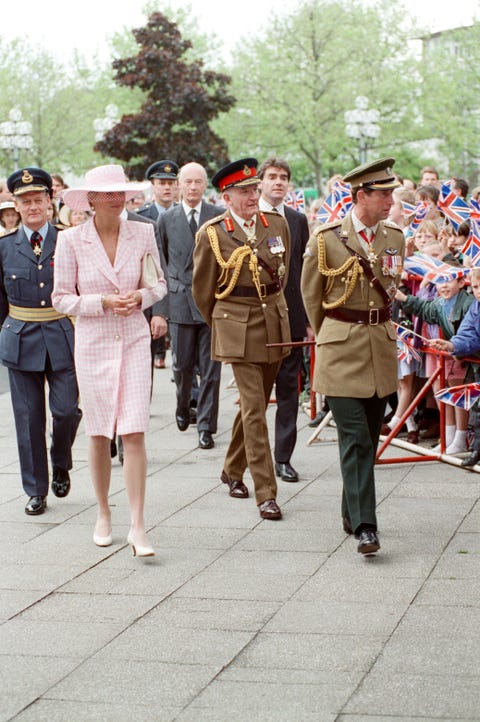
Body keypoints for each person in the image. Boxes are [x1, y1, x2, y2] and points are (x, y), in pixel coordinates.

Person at [52, 164, 167, 556]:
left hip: (134, 339)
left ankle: (138, 526)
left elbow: (159, 284)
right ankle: (103, 512)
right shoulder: (70, 241)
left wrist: (140, 298)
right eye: (109, 194)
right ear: (91, 200)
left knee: (134, 431)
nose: (118, 199)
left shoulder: (143, 231)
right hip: (94, 343)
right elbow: (61, 298)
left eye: (122, 193)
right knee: (99, 432)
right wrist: (101, 302)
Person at [301, 157, 405, 555]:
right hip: (340, 350)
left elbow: (391, 286)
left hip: (379, 347)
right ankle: (366, 526)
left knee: (368, 439)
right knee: (356, 437)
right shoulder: (326, 237)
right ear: (361, 196)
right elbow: (311, 296)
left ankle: (350, 510)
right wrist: (331, 335)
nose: (390, 202)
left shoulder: (394, 237)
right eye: (383, 195)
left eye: (392, 194)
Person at [193, 157, 291, 520]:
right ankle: (266, 492)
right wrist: (223, 324)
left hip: (272, 322)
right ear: (227, 197)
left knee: (257, 403)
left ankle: (232, 470)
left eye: (254, 189)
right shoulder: (213, 233)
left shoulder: (277, 223)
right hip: (236, 323)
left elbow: (283, 276)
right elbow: (202, 291)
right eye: (244, 191)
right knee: (254, 408)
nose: (253, 196)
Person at [0, 167, 82, 515]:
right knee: (29, 419)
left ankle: (61, 459)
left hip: (63, 335)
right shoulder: (4, 248)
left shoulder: (70, 240)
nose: (32, 206)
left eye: (38, 199)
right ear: (15, 205)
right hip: (20, 338)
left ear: (50, 202)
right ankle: (36, 489)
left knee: (65, 411)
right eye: (25, 200)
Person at [157, 162, 223, 449]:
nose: (194, 187)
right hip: (180, 301)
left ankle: (207, 426)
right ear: (179, 185)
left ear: (205, 185)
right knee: (182, 365)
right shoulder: (167, 219)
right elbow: (162, 261)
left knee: (211, 370)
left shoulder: (218, 216)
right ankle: (184, 404)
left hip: (211, 304)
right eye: (188, 182)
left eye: (199, 182)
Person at [257, 157, 310, 481]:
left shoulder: (297, 219)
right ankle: (251, 456)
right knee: (257, 395)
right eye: (273, 177)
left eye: (284, 177)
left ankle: (283, 457)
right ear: (261, 182)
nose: (279, 182)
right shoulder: (251, 217)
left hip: (290, 317)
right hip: (258, 320)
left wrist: (306, 319)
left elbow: (302, 274)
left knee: (289, 388)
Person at [395, 266, 473, 454]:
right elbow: (425, 309)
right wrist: (403, 298)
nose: (443, 285)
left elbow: (468, 331)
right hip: (450, 351)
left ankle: (461, 437)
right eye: (440, 281)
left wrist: (456, 347)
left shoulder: (468, 303)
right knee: (445, 392)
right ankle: (449, 436)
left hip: (463, 354)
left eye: (448, 281)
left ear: (462, 283)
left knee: (458, 394)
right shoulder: (439, 303)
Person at [430, 267, 480, 467]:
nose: (479, 291)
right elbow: (468, 333)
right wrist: (452, 344)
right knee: (477, 409)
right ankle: (478, 449)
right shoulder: (476, 307)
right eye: (476, 287)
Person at [138, 160, 178, 369]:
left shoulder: (183, 215)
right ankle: (159, 353)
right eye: (162, 183)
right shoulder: (142, 218)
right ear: (153, 185)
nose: (167, 187)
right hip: (154, 284)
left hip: (180, 284)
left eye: (171, 183)